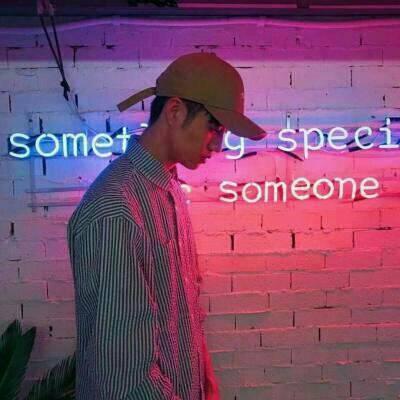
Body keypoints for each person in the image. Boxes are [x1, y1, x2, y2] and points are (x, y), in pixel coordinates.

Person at [67, 52, 266, 400]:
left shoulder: (169, 189)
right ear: (175, 111)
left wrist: (206, 381)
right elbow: (126, 375)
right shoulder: (115, 209)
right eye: (214, 128)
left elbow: (185, 311)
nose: (218, 145)